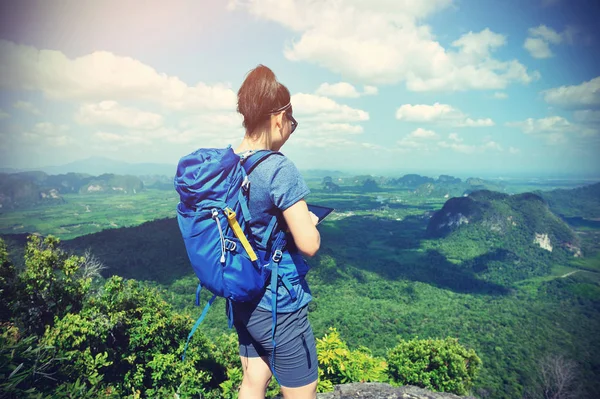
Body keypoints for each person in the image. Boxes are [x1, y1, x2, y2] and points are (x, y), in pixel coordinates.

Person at [232, 64, 321, 399]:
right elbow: (309, 245)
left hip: (241, 292)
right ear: (279, 117)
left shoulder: (232, 163)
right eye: (292, 122)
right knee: (302, 390)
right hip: (278, 302)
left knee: (254, 377)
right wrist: (309, 224)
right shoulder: (279, 168)